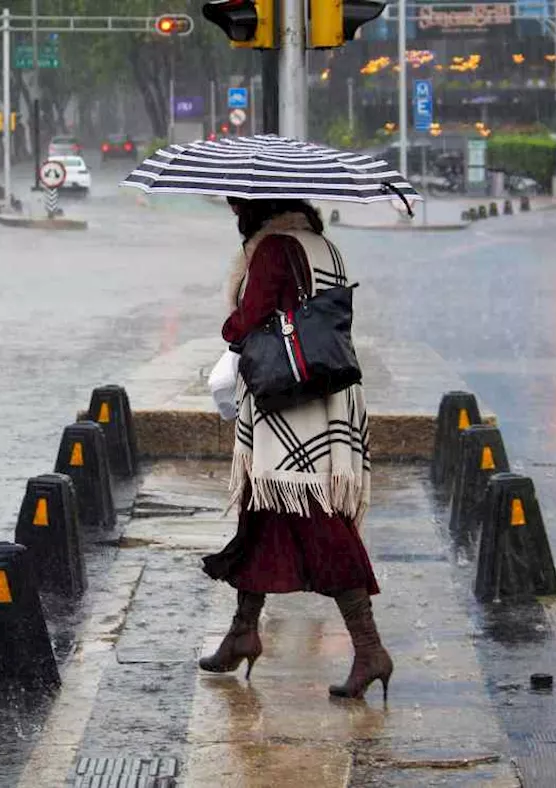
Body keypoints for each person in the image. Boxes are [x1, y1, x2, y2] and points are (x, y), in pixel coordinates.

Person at [199, 197, 392, 702]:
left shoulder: (274, 250)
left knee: (318, 520)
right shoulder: (326, 248)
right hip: (330, 394)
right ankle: (243, 630)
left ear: (255, 214)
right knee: (262, 511)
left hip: (291, 403)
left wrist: (232, 318)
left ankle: (370, 648)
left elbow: (249, 322)